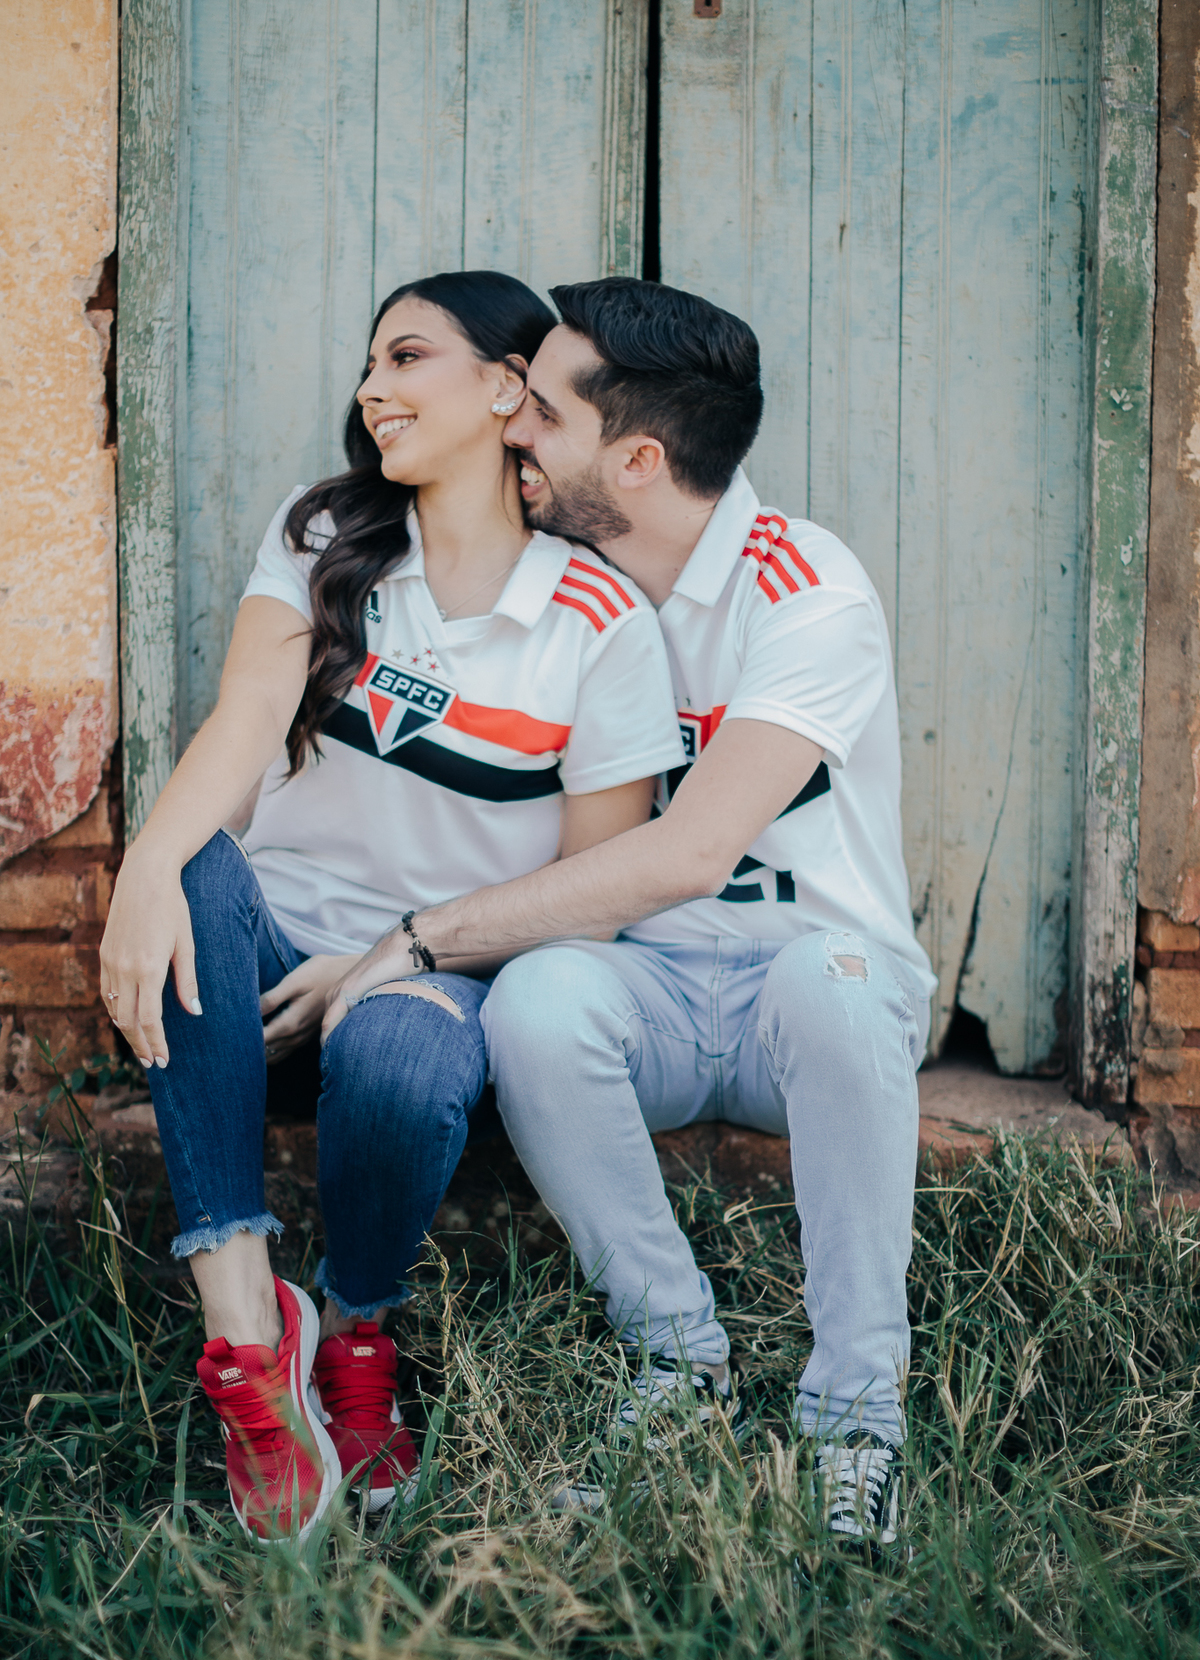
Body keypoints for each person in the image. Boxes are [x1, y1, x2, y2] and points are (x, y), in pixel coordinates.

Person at [323, 277, 937, 1552]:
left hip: (809, 999)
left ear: (639, 461)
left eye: (544, 414)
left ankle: (856, 1417)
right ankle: (675, 1359)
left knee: (829, 982)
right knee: (541, 997)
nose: (513, 427)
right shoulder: (562, 582)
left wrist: (423, 938)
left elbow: (693, 852)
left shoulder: (808, 589)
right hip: (647, 998)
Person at [98, 271, 685, 1543]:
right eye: (370, 363)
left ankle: (355, 1334)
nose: (374, 387)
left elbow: (588, 896)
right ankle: (251, 1346)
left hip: (436, 979)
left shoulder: (596, 623)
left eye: (408, 357)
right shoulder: (326, 538)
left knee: (401, 1052)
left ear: (507, 388)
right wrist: (144, 871)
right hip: (260, 967)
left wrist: (391, 958)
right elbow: (246, 719)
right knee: (193, 862)